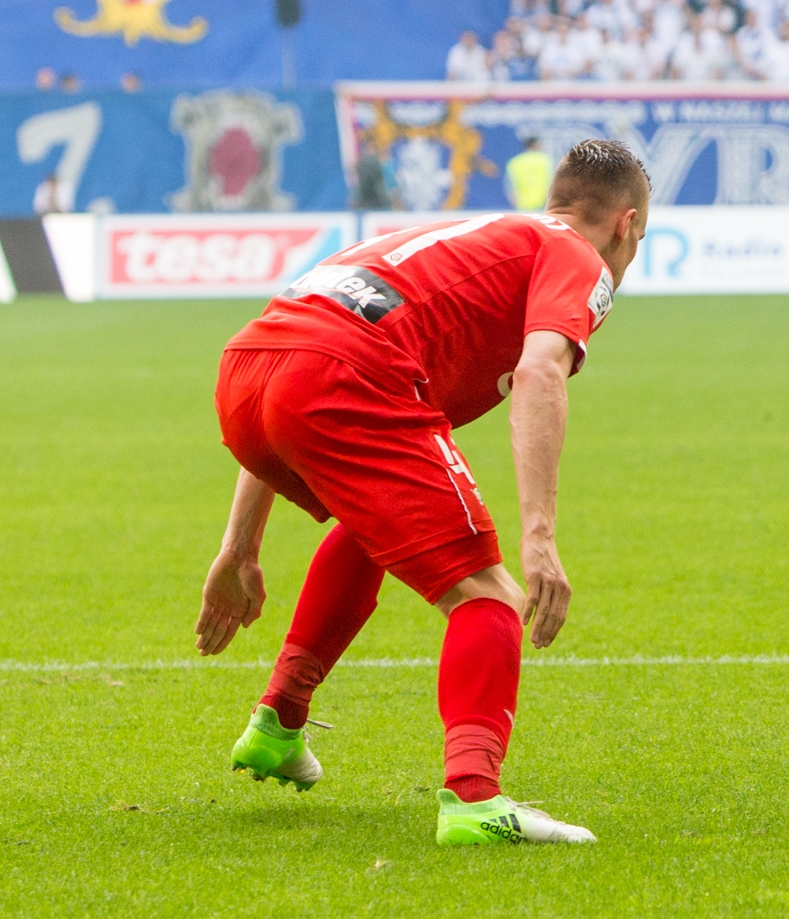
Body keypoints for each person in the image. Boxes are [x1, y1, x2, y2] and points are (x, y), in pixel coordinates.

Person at [196, 140, 651, 845]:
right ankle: (474, 798)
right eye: (637, 241)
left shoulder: (459, 238)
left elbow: (296, 354)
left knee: (380, 526)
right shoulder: (578, 257)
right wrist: (539, 534)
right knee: (488, 594)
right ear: (624, 225)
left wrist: (240, 546)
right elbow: (539, 374)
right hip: (340, 373)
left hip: (248, 372)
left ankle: (279, 721)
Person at [505, 135, 554, 211]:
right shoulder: (545, 160)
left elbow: (509, 185)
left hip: (522, 204)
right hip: (543, 202)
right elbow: (553, 180)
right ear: (535, 145)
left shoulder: (515, 162)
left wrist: (513, 198)